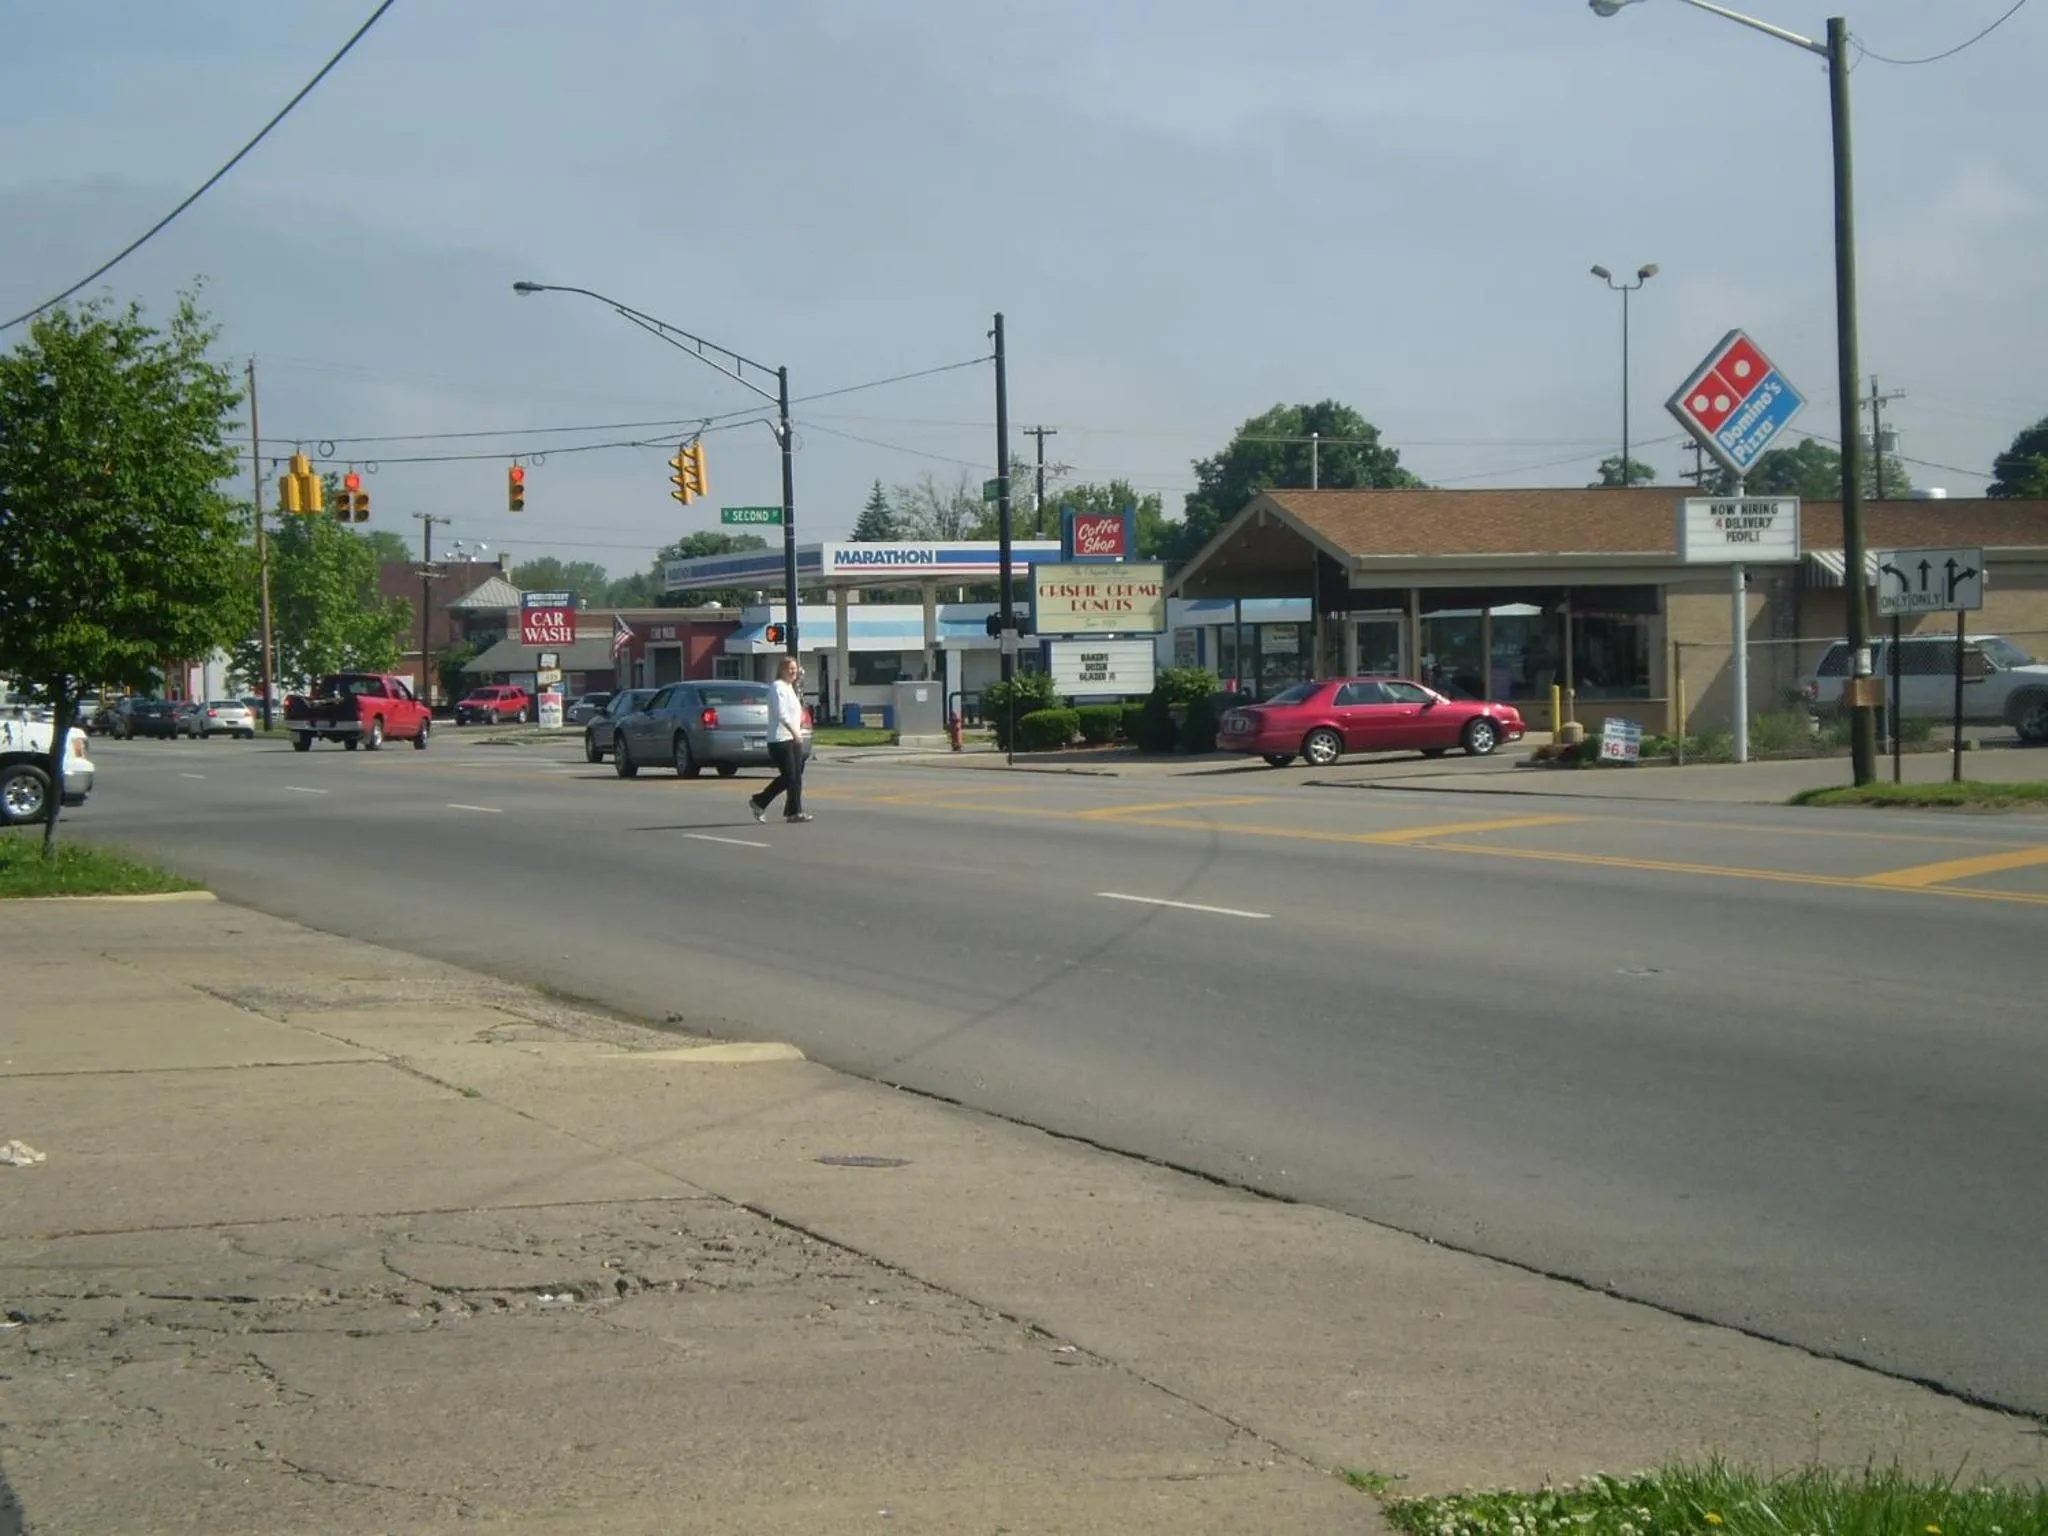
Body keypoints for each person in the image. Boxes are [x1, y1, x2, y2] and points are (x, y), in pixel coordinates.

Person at [749, 656, 812, 824]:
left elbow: (796, 713)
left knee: (796, 776)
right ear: (781, 670)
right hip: (780, 739)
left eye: (795, 669)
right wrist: (794, 732)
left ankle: (794, 812)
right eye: (789, 668)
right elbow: (781, 713)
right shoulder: (777, 687)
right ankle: (759, 801)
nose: (793, 671)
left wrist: (800, 730)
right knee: (789, 776)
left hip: (794, 738)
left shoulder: (791, 688)